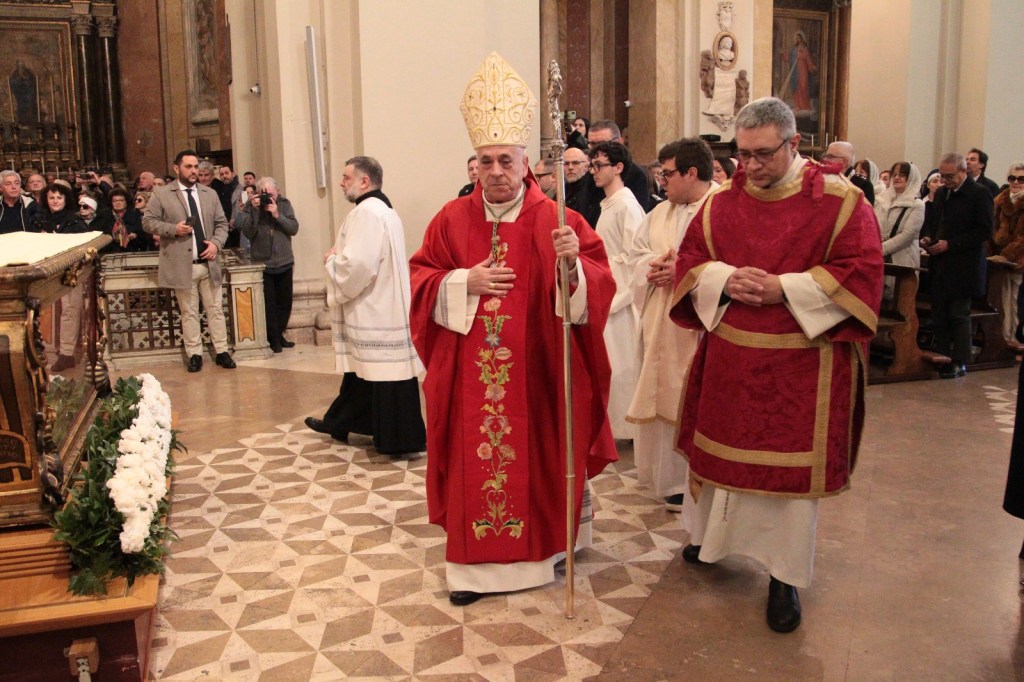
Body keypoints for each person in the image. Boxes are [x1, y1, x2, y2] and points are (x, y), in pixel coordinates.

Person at [409, 52, 617, 607]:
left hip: (538, 378)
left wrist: (572, 267)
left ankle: (545, 553)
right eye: (486, 160)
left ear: (526, 162)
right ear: (473, 165)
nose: (496, 171)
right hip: (469, 383)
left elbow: (597, 288)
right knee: (476, 465)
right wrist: (461, 282)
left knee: (542, 459)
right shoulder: (449, 221)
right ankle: (473, 574)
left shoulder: (560, 220)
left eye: (506, 159)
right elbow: (419, 278)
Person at [670, 96, 882, 633]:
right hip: (733, 359)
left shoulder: (839, 202)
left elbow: (859, 273)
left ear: (794, 144)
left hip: (802, 366)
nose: (751, 167)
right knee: (724, 470)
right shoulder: (722, 202)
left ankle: (784, 579)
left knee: (785, 489)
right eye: (742, 155)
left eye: (763, 154)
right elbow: (692, 261)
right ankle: (709, 542)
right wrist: (723, 278)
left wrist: (782, 287)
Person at [304, 156, 425, 457]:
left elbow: (357, 267)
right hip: (384, 305)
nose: (341, 182)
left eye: (346, 177)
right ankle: (341, 421)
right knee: (364, 375)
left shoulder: (368, 213)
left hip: (375, 309)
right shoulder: (384, 210)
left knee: (379, 373)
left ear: (364, 182)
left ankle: (396, 440)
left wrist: (332, 260)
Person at [627, 138, 717, 513]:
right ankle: (664, 477)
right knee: (659, 389)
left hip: (699, 322)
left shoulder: (722, 208)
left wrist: (685, 272)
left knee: (689, 393)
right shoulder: (660, 212)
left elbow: (732, 264)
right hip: (660, 315)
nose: (662, 182)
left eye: (667, 174)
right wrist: (653, 268)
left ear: (691, 173)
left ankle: (694, 478)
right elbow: (634, 253)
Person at [142, 149, 236, 372]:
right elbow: (147, 222)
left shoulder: (209, 194)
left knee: (215, 309)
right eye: (189, 167)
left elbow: (222, 224)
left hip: (209, 263)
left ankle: (222, 351)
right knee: (189, 312)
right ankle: (195, 354)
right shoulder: (162, 194)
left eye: (196, 167)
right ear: (177, 169)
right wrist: (173, 229)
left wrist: (216, 244)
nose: (194, 171)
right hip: (182, 265)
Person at [919, 152, 994, 378]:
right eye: (942, 175)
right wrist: (928, 238)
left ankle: (960, 360)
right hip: (941, 263)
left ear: (964, 171)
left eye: (950, 176)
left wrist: (950, 244)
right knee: (939, 312)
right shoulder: (942, 194)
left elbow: (984, 231)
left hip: (965, 265)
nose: (945, 180)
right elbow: (934, 222)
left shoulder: (980, 194)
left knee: (959, 314)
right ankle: (942, 356)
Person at [590, 140, 642, 440]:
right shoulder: (609, 203)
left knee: (622, 366)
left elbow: (635, 255)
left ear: (618, 167)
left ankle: (626, 429)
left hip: (619, 295)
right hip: (606, 287)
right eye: (593, 165)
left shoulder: (625, 204)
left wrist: (616, 294)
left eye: (600, 166)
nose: (594, 172)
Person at [235, 176, 299, 352]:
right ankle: (272, 339)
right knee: (268, 304)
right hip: (264, 263)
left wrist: (277, 214)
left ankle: (280, 334)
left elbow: (293, 228)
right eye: (264, 194)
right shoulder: (251, 206)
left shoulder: (284, 204)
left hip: (285, 260)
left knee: (285, 302)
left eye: (271, 194)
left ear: (277, 191)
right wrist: (255, 211)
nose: (268, 198)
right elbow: (248, 233)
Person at [38, 182, 89, 372]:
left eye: (59, 197)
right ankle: (43, 352)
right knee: (46, 312)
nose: (55, 201)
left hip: (70, 273)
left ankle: (67, 353)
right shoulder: (39, 220)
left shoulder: (74, 221)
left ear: (66, 200)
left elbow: (83, 246)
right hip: (45, 274)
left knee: (69, 310)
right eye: (51, 198)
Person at [874, 162, 925, 299]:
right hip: (879, 256)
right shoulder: (881, 201)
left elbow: (908, 235)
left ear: (911, 179)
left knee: (898, 301)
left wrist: (880, 249)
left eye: (902, 175)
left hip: (902, 258)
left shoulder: (916, 205)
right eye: (895, 174)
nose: (897, 178)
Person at [989, 163, 1024, 347]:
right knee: (1000, 298)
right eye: (1012, 178)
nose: (1016, 182)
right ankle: (1001, 338)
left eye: (1021, 179)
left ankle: (1011, 338)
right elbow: (991, 228)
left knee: (1014, 300)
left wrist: (1007, 255)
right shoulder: (1000, 201)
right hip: (997, 261)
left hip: (1018, 260)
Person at [821, 141, 875, 206]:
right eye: (825, 156)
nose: (826, 160)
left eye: (831, 157)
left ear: (844, 162)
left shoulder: (863, 185)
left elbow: (865, 213)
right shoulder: (821, 178)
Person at [102, 187, 152, 253]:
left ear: (126, 202)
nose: (118, 203)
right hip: (111, 253)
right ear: (111, 203)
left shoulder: (135, 214)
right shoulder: (104, 216)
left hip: (133, 251)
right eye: (115, 201)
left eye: (121, 200)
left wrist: (135, 236)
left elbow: (144, 235)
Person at [0, 169, 40, 233]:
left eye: (17, 183)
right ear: (1, 188)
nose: (14, 187)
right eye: (8, 184)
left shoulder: (31, 205)